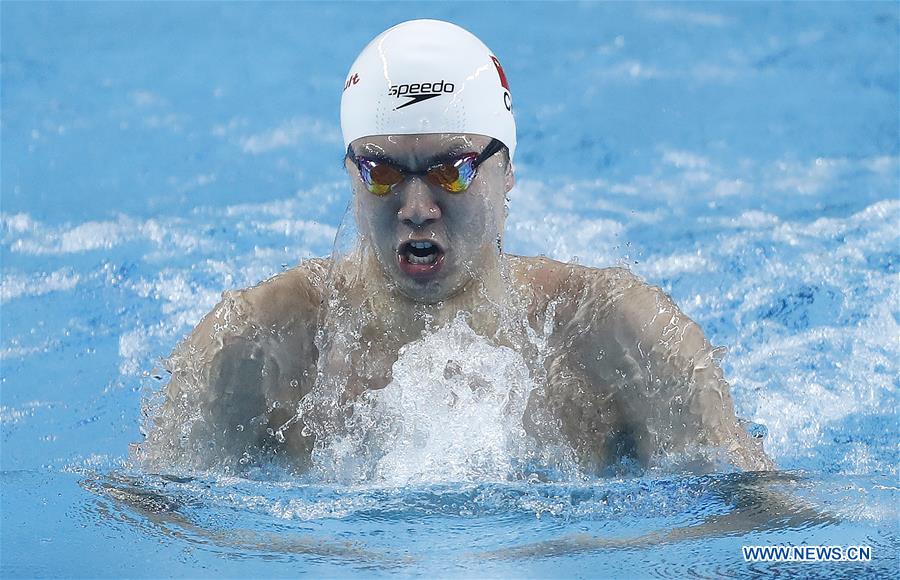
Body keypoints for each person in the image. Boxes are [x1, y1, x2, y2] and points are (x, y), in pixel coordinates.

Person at [138, 19, 773, 476]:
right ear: (351, 175)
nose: (416, 207)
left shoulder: (616, 332)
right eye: (383, 172)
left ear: (508, 173)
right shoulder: (257, 343)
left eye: (453, 169)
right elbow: (148, 519)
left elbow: (764, 520)